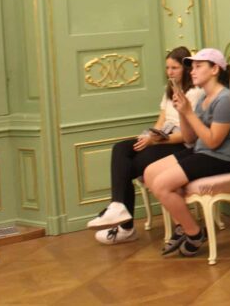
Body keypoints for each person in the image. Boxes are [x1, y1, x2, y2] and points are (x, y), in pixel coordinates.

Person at [86, 46, 204, 244]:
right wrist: (151, 136)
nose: (170, 72)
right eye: (167, 68)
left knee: (128, 167)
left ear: (185, 68)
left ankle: (125, 227)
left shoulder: (195, 92)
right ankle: (118, 207)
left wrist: (157, 140)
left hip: (181, 144)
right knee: (120, 149)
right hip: (162, 137)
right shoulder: (170, 90)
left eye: (174, 68)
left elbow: (188, 136)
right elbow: (162, 119)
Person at [143, 47, 230, 257]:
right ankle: (184, 226)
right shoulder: (203, 99)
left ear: (214, 69)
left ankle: (194, 233)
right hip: (203, 151)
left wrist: (189, 113)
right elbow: (190, 139)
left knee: (162, 185)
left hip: (224, 157)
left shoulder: (225, 99)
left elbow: (213, 142)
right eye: (192, 67)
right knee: (150, 173)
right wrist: (183, 112)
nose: (192, 71)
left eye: (198, 66)